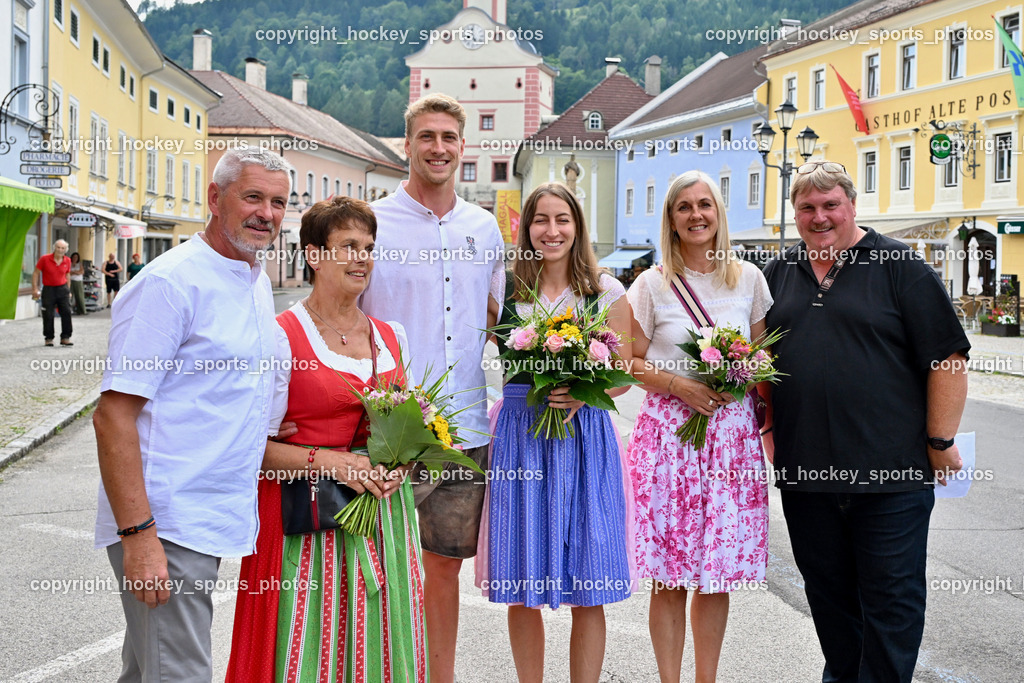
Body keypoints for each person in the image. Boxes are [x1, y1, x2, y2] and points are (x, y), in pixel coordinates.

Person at [762, 160, 970, 683]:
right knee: (828, 598)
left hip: (891, 474)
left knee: (891, 601)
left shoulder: (901, 267)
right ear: (795, 213)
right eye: (807, 207)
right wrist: (765, 426)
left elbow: (947, 359)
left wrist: (940, 439)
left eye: (830, 204)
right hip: (806, 473)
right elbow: (756, 361)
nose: (820, 216)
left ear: (852, 205)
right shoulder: (777, 274)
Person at [92, 148, 292, 682]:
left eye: (278, 202)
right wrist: (139, 537)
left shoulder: (253, 278)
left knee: (149, 671)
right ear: (214, 198)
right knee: (178, 674)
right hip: (167, 519)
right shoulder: (170, 283)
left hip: (211, 515)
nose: (266, 213)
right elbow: (113, 415)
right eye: (253, 197)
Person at [226, 196, 426, 682]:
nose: (362, 258)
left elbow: (411, 429)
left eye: (369, 247)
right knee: (311, 651)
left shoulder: (390, 335)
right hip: (309, 518)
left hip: (385, 523)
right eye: (349, 246)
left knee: (382, 648)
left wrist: (405, 462)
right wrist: (333, 462)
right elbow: (250, 449)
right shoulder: (280, 337)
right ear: (314, 255)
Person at [360, 93, 504, 683]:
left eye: (449, 137)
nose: (438, 147)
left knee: (442, 569)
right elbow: (343, 317)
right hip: (387, 431)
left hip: (463, 430)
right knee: (373, 567)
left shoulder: (485, 227)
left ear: (463, 147)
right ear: (408, 144)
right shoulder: (371, 223)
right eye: (427, 136)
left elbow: (502, 323)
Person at [481, 182, 634, 682]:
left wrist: (586, 391)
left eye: (562, 219)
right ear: (525, 229)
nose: (552, 230)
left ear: (577, 226)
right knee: (523, 574)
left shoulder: (605, 291)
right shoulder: (505, 291)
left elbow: (625, 370)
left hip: (585, 436)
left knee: (589, 575)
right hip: (522, 433)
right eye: (540, 220)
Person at [625, 171, 771, 682]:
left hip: (729, 439)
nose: (696, 215)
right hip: (668, 436)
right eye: (683, 207)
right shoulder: (650, 284)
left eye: (704, 204)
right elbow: (629, 362)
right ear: (671, 219)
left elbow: (764, 353)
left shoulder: (748, 278)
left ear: (719, 213)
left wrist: (741, 373)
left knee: (717, 575)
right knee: (668, 575)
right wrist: (677, 385)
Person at [31, 239, 73, 346]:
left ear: (65, 250)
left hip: (62, 289)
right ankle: (49, 338)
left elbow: (68, 275)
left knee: (67, 312)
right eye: (58, 247)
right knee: (48, 314)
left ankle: (65, 337)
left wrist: (68, 290)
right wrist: (35, 289)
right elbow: (36, 273)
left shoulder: (67, 260)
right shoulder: (45, 259)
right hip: (49, 289)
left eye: (62, 248)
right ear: (54, 247)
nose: (60, 250)